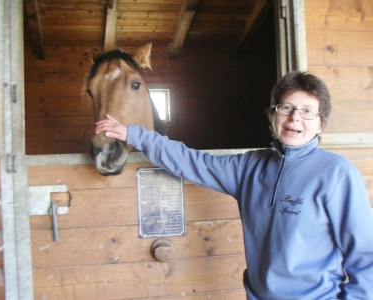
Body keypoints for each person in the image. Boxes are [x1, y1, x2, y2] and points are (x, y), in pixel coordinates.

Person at [95, 71, 373, 299]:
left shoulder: (337, 174)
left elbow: (366, 256)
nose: (294, 118)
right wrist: (137, 134)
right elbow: (192, 162)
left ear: (321, 124)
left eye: (308, 111)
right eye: (285, 107)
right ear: (272, 114)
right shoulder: (249, 167)